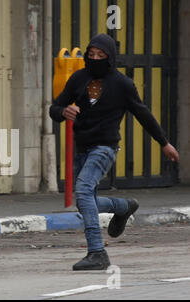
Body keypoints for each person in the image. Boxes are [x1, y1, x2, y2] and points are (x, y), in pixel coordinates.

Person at [49, 34, 180, 271]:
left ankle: (97, 252)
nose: (95, 59)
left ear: (110, 58)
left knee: (83, 190)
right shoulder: (78, 78)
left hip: (105, 147)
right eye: (92, 55)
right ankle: (123, 206)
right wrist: (62, 112)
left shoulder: (123, 84)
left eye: (101, 56)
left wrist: (164, 142)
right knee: (84, 202)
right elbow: (55, 107)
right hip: (82, 147)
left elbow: (143, 114)